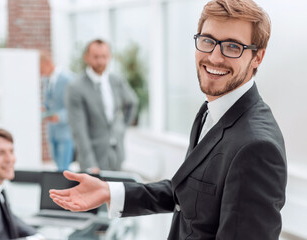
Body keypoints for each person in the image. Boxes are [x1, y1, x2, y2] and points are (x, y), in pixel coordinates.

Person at [50, 0, 287, 239]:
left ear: (257, 57)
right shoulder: (211, 112)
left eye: (233, 47)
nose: (215, 57)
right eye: (208, 41)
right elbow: (187, 192)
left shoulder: (257, 147)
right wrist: (109, 191)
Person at [65, 39, 138, 173]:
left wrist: (121, 128)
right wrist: (90, 163)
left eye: (104, 57)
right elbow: (79, 130)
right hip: (93, 159)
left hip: (116, 155)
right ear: (86, 57)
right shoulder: (75, 87)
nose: (100, 62)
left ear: (109, 57)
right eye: (96, 57)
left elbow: (132, 102)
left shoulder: (116, 80)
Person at [0, 127, 43, 240]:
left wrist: (37, 236)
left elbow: (8, 218)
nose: (10, 159)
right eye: (0, 153)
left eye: (11, 151)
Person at [40, 51, 74, 171]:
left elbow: (73, 106)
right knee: (57, 165)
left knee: (63, 168)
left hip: (65, 130)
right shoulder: (46, 80)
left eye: (40, 68)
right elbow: (49, 101)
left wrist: (60, 116)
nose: (40, 72)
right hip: (52, 129)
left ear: (47, 63)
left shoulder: (68, 79)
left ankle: (65, 189)